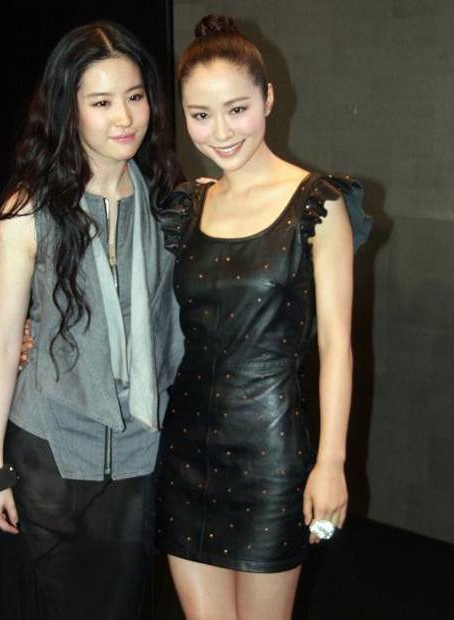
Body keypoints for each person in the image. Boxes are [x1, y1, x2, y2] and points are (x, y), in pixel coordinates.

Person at [153, 14, 372, 620]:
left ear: (268, 98)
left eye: (237, 109)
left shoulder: (318, 204)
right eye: (201, 115)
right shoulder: (187, 204)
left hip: (270, 454)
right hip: (185, 449)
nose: (221, 132)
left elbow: (337, 346)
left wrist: (331, 463)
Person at [0, 21, 184, 620]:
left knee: (120, 607)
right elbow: (4, 343)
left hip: (141, 450)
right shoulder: (29, 210)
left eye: (135, 96)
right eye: (102, 102)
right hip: (49, 450)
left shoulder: (173, 204)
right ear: (70, 110)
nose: (125, 117)